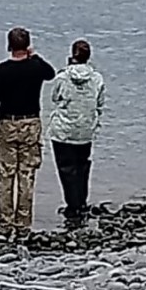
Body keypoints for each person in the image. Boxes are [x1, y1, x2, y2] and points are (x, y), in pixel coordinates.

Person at [0, 28, 55, 240]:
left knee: (5, 176)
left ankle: (5, 225)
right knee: (27, 176)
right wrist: (34, 55)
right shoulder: (35, 68)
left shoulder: (1, 70)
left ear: (9, 46)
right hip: (31, 122)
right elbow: (50, 73)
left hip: (7, 122)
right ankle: (23, 225)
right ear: (27, 45)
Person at [46, 39, 106, 225]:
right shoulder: (97, 78)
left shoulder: (62, 77)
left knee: (66, 168)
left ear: (72, 55)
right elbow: (100, 103)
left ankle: (72, 205)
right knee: (82, 166)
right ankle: (81, 202)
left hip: (63, 130)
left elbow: (55, 98)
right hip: (85, 130)